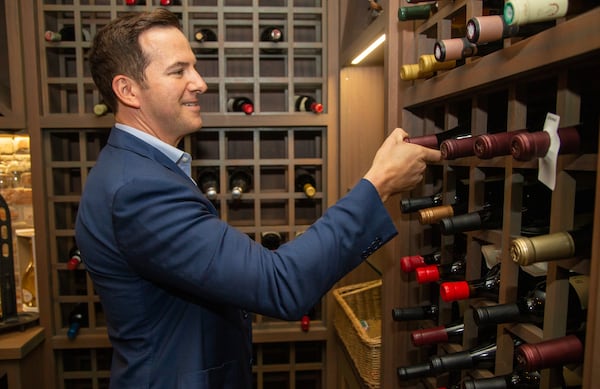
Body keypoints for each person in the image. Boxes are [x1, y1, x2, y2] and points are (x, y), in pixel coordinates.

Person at [75, 8, 441, 389]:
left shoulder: (136, 170)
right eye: (178, 71)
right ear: (127, 90)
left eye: (194, 68)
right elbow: (279, 284)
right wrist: (379, 184)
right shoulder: (138, 188)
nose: (200, 83)